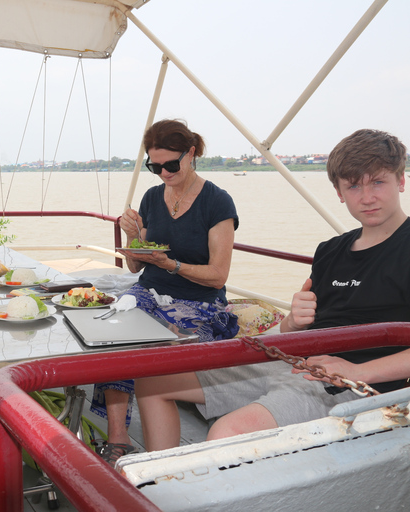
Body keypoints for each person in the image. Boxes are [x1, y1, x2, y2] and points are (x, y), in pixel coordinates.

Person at [135, 128, 410, 453]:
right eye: (353, 185)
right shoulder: (331, 251)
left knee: (226, 434)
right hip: (294, 360)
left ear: (401, 180)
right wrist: (294, 320)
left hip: (353, 383)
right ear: (339, 192)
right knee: (152, 379)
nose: (366, 197)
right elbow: (296, 328)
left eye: (377, 182)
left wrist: (356, 370)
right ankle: (157, 480)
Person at [93, 119, 239, 464]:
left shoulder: (217, 202)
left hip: (200, 303)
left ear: (190, 154)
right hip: (149, 290)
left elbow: (218, 276)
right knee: (113, 333)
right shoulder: (152, 196)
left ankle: (163, 459)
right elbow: (135, 267)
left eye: (170, 165)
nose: (162, 173)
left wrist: (170, 263)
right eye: (153, 166)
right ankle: (119, 439)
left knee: (158, 349)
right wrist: (132, 236)